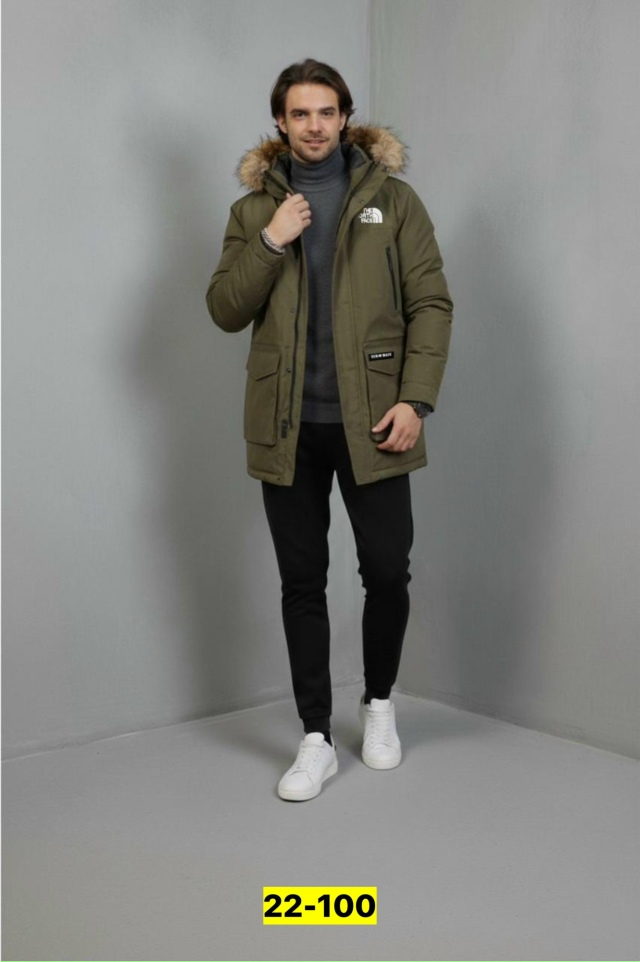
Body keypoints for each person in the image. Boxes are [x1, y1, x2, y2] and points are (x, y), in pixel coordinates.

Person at [206, 59, 453, 802]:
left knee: (387, 571)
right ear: (280, 123)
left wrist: (415, 400)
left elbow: (430, 303)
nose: (314, 126)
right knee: (302, 581)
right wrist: (271, 240)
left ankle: (378, 704)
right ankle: (315, 735)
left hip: (374, 421)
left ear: (346, 117)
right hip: (286, 425)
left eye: (326, 112)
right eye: (299, 114)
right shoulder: (254, 211)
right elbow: (224, 309)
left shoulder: (394, 201)